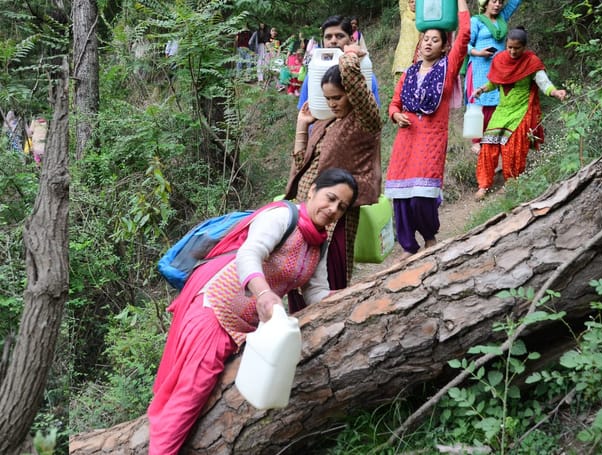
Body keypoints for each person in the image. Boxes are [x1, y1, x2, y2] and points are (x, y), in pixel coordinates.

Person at [147, 168, 358, 455]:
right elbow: (249, 254)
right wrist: (264, 293)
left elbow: (315, 292)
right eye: (330, 198)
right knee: (189, 394)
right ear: (312, 191)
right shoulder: (282, 217)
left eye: (341, 207)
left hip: (246, 328)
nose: (333, 209)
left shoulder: (318, 245)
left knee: (207, 396)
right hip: (214, 309)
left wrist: (351, 295)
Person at [286, 46, 382, 292]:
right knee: (298, 278)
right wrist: (302, 126)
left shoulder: (364, 121)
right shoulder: (324, 122)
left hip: (336, 215)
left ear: (351, 93)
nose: (332, 103)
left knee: (330, 279)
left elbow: (354, 79)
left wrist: (349, 55)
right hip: (307, 212)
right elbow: (302, 163)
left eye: (337, 97)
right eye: (327, 98)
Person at [384, 0, 470, 260]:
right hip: (406, 140)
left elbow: (464, 34)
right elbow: (394, 103)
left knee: (421, 196)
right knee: (401, 199)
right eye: (425, 39)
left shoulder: (447, 69)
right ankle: (408, 246)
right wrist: (396, 114)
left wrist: (460, 3)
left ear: (444, 46)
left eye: (435, 40)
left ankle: (430, 237)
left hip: (431, 140)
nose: (428, 43)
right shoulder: (409, 73)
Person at [472, 27, 567, 200]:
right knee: (488, 146)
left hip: (521, 111)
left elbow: (543, 83)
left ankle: (511, 183)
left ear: (524, 47)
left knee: (512, 148)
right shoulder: (500, 59)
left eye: (517, 48)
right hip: (502, 111)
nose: (513, 51)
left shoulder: (531, 62)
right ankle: (483, 185)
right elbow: (494, 82)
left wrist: (555, 92)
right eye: (509, 47)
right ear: (506, 45)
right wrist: (482, 89)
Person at [464, 0, 523, 154]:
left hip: (498, 68)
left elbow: (515, 2)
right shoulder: (476, 21)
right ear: (486, 3)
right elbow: (466, 44)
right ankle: (476, 140)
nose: (497, 5)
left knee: (496, 101)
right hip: (479, 66)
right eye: (494, 1)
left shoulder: (502, 18)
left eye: (500, 2)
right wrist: (479, 53)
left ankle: (492, 138)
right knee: (478, 101)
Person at [296, 15, 380, 108]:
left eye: (340, 36)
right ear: (323, 41)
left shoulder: (363, 73)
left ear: (351, 40)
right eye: (328, 37)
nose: (333, 41)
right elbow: (303, 109)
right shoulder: (313, 74)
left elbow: (373, 111)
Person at [392, 0, 421, 79]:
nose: (414, 4)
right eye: (411, 2)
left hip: (416, 52)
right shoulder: (404, 14)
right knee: (400, 79)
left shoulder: (422, 17)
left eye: (416, 2)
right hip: (403, 53)